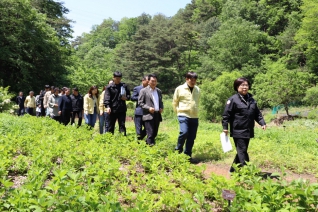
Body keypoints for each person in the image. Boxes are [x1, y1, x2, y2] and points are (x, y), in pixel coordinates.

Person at [222, 77, 266, 173]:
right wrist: (225, 127)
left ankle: (233, 170)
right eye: (242, 85)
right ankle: (247, 172)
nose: (245, 87)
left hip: (248, 129)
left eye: (246, 85)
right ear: (237, 87)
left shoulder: (252, 100)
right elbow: (226, 115)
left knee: (241, 150)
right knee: (242, 150)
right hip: (237, 130)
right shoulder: (233, 100)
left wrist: (262, 123)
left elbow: (257, 114)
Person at [173, 72, 200, 159]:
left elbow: (197, 101)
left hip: (194, 115)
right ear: (186, 79)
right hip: (183, 114)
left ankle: (187, 155)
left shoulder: (197, 89)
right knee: (184, 132)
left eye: (194, 80)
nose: (193, 82)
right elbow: (175, 102)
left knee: (192, 136)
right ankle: (178, 149)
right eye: (191, 80)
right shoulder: (179, 89)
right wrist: (177, 112)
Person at [138, 74, 164, 146]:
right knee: (150, 133)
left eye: (155, 81)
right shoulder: (143, 91)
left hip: (157, 114)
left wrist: (161, 107)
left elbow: (160, 102)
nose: (154, 83)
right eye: (152, 81)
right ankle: (151, 148)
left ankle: (146, 145)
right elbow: (140, 103)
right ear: (148, 81)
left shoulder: (158, 91)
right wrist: (148, 108)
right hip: (148, 115)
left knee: (155, 133)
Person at [104, 71, 131, 136]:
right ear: (113, 78)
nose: (118, 80)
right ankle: (109, 139)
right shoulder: (109, 87)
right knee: (111, 126)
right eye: (117, 78)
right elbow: (107, 98)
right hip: (112, 109)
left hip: (122, 109)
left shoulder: (124, 86)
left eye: (120, 78)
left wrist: (126, 98)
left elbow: (129, 96)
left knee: (122, 125)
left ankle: (122, 138)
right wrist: (108, 107)